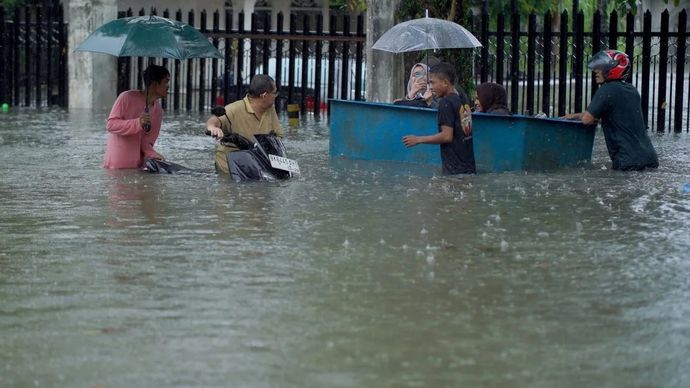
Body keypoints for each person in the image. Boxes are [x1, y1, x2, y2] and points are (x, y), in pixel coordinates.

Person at [562, 50, 658, 171]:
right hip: (650, 158)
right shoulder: (632, 90)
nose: (596, 72)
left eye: (600, 68)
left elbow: (587, 119)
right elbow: (617, 118)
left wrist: (573, 116)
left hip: (627, 160)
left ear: (611, 69)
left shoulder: (606, 89)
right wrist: (575, 115)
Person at [402, 62, 475, 174]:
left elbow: (446, 136)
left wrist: (418, 139)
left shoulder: (445, 103)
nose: (430, 87)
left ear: (445, 82)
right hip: (468, 166)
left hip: (454, 170)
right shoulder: (463, 99)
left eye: (432, 83)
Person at [205, 74, 284, 173]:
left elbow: (278, 137)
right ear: (264, 95)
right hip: (229, 167)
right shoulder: (235, 109)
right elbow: (214, 120)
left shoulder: (270, 109)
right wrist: (212, 127)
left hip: (255, 163)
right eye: (274, 92)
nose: (276, 95)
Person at [104, 64, 170, 169]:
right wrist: (137, 123)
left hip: (138, 167)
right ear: (154, 83)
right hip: (116, 165)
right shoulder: (126, 98)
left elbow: (147, 142)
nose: (168, 86)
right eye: (166, 81)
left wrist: (154, 154)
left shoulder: (158, 111)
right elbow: (111, 125)